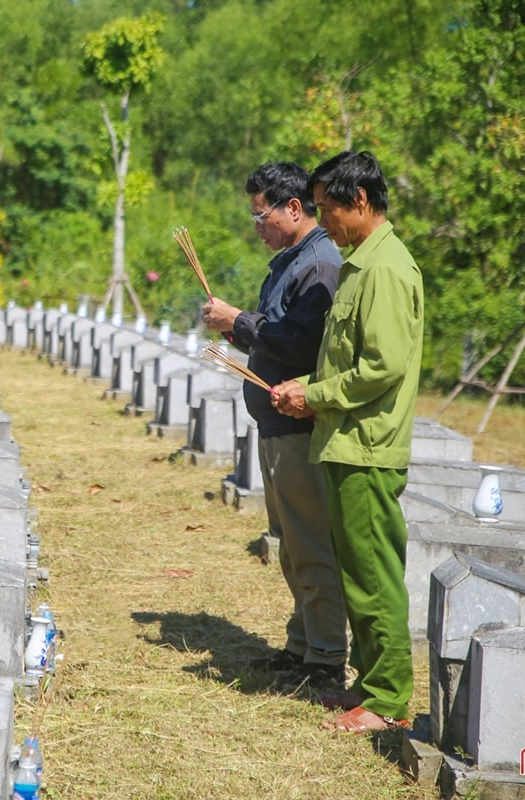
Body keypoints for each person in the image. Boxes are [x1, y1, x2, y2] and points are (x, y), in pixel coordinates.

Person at [270, 150, 424, 734]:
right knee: (356, 572)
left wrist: (314, 397)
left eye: (329, 209)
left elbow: (381, 367)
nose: (323, 221)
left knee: (373, 573)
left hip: (367, 445)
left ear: (360, 202)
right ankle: (370, 684)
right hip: (343, 441)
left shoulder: (385, 269)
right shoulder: (362, 263)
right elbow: (346, 360)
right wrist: (304, 387)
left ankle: (387, 700)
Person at [200, 162, 347, 690]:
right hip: (275, 425)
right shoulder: (291, 261)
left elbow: (300, 344)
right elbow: (272, 337)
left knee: (310, 546)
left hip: (299, 425)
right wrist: (236, 329)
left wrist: (237, 319)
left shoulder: (320, 265)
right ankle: (301, 646)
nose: (256, 225)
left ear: (293, 207)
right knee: (290, 542)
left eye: (262, 214)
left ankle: (325, 661)